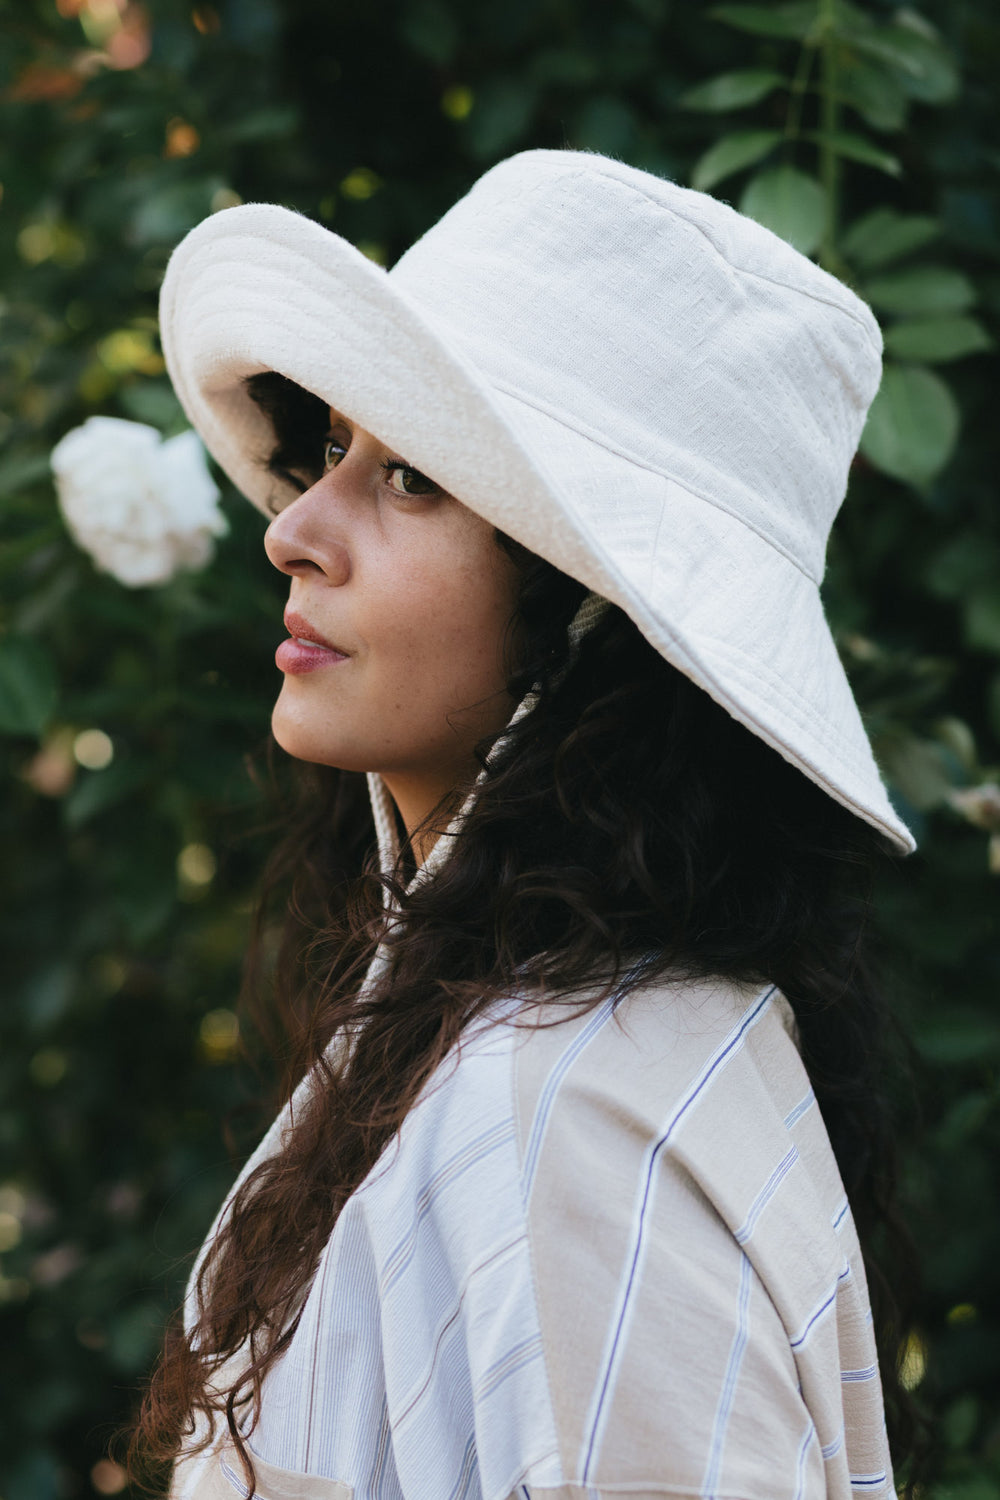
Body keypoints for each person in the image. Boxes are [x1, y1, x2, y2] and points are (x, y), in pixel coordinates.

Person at [140, 149, 917, 1500]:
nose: (294, 529)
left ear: (592, 619)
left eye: (414, 479)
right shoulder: (505, 1035)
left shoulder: (577, 1107)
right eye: (333, 449)